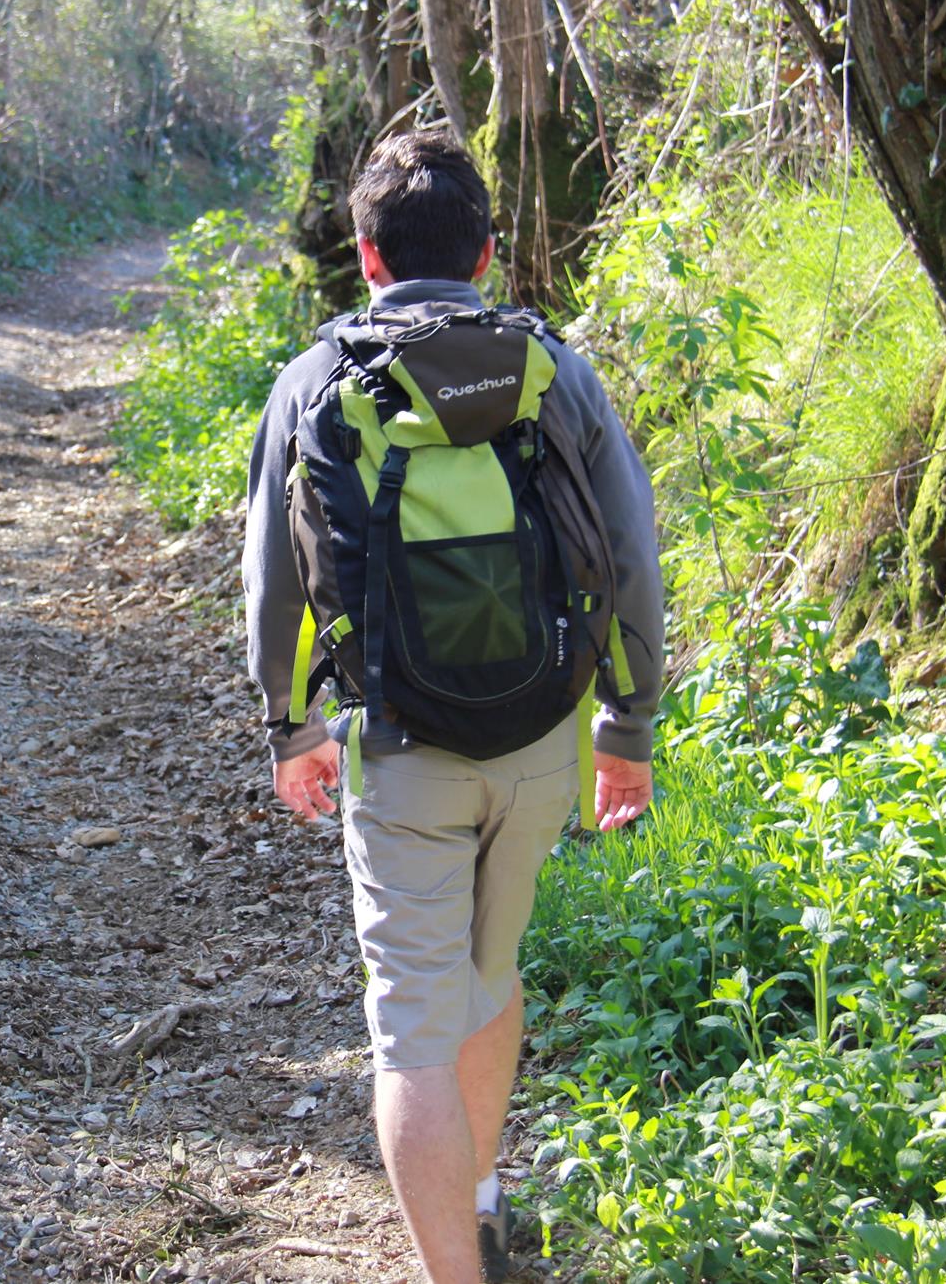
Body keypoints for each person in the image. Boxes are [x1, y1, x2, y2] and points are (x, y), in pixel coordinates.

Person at [242, 131, 664, 1283]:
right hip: (542, 736)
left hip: (400, 746)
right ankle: (477, 1198)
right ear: (485, 254)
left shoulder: (315, 379)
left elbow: (275, 582)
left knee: (411, 1026)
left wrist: (289, 730)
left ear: (365, 259)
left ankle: (454, 1269)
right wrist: (625, 726)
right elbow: (629, 554)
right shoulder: (551, 366)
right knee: (492, 969)